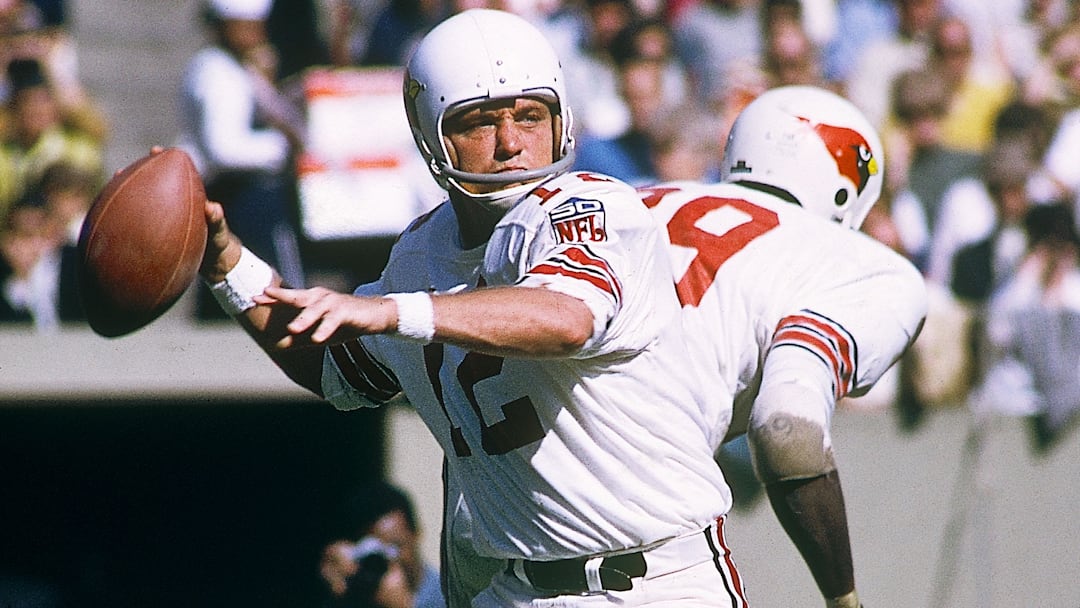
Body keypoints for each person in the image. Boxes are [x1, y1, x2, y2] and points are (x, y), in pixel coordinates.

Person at [197, 8, 746, 608]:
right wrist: (229, 267)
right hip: (516, 587)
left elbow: (565, 317)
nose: (512, 143)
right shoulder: (421, 255)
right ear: (432, 134)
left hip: (655, 580)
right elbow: (331, 369)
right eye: (481, 122)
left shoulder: (592, 204)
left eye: (531, 116)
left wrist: (394, 312)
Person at [442, 86, 928, 608]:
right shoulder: (856, 264)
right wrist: (843, 599)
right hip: (654, 566)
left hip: (509, 548)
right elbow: (787, 430)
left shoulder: (625, 200)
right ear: (846, 193)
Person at [178, 0, 306, 318]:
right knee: (269, 291)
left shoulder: (233, 68)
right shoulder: (217, 73)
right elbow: (224, 148)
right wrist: (281, 148)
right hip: (242, 198)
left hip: (237, 197)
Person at [320, 482, 444, 608]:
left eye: (395, 546)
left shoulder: (449, 594)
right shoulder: (357, 593)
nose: (389, 560)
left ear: (416, 534)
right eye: (378, 551)